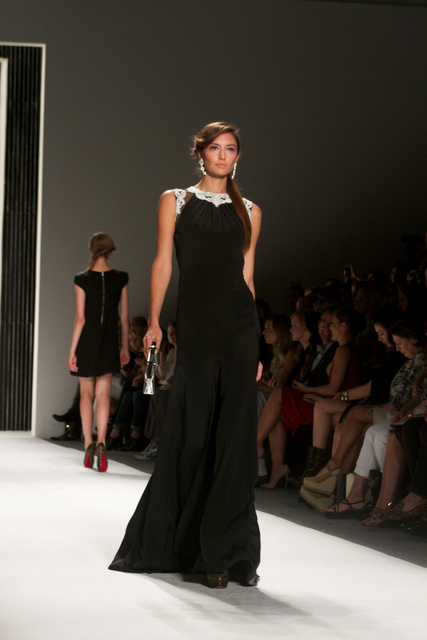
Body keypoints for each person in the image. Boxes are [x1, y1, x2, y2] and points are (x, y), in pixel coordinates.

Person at [109, 122, 262, 589]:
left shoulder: (251, 211)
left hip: (239, 328)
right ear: (201, 154)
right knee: (194, 430)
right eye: (215, 148)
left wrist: (256, 344)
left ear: (238, 157)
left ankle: (223, 553)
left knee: (233, 437)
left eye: (230, 149)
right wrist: (154, 321)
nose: (223, 155)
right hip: (196, 328)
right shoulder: (175, 200)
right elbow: (162, 263)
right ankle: (180, 542)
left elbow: (247, 277)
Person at [68, 232, 129, 471]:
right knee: (103, 393)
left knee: (86, 394)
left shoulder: (81, 279)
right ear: (111, 251)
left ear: (91, 250)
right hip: (109, 341)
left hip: (87, 341)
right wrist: (124, 346)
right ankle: (102, 443)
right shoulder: (121, 278)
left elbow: (80, 318)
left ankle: (88, 445)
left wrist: (72, 350)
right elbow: (124, 318)